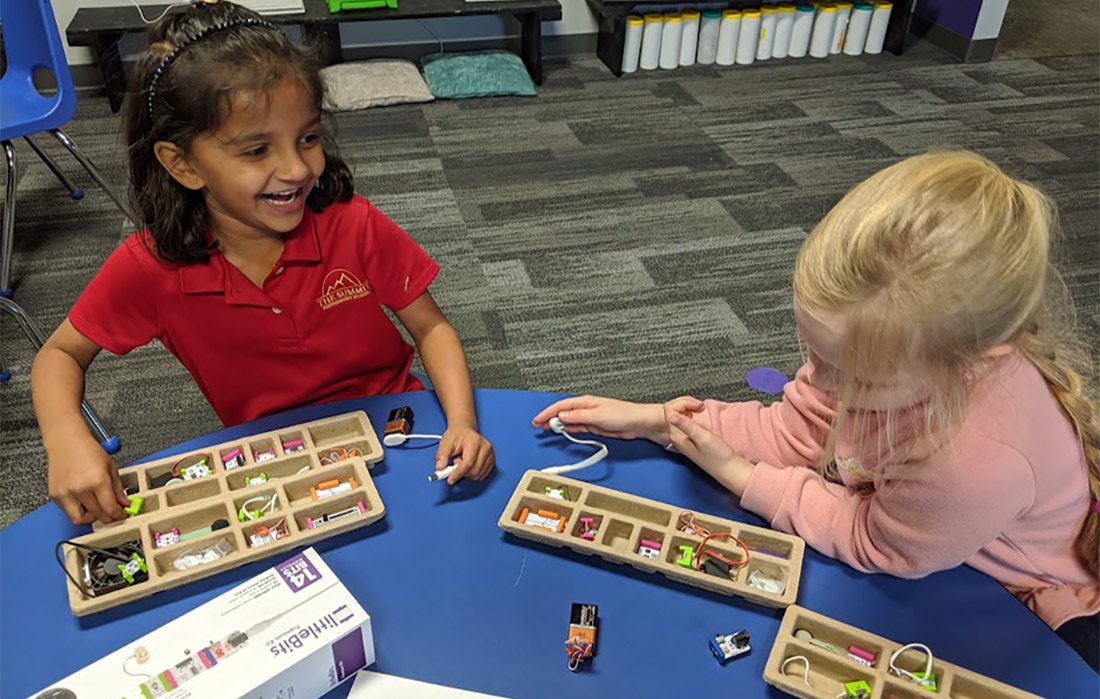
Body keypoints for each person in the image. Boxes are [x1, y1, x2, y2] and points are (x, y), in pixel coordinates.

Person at [533, 151, 1100, 670]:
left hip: (1039, 606)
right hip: (931, 533)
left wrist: (737, 473)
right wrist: (662, 423)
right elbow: (795, 429)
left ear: (964, 362)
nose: (819, 380)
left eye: (855, 377)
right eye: (813, 353)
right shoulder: (882, 352)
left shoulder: (975, 464)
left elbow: (876, 542)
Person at [33, 1, 494, 526]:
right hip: (273, 465)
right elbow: (59, 357)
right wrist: (65, 437)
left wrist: (460, 420)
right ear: (182, 164)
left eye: (309, 138)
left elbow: (432, 327)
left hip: (401, 432)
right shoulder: (148, 266)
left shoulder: (355, 224)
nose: (298, 168)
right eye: (256, 150)